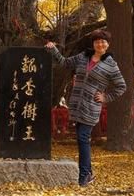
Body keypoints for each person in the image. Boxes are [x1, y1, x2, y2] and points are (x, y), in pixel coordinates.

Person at [45, 29, 126, 186]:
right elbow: (65, 62)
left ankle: (84, 176)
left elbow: (121, 86)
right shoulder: (83, 57)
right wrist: (53, 49)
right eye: (97, 41)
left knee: (83, 138)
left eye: (103, 41)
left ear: (108, 44)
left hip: (91, 106)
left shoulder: (111, 65)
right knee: (82, 139)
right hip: (76, 104)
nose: (100, 44)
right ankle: (88, 173)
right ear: (93, 44)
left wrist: (105, 97)